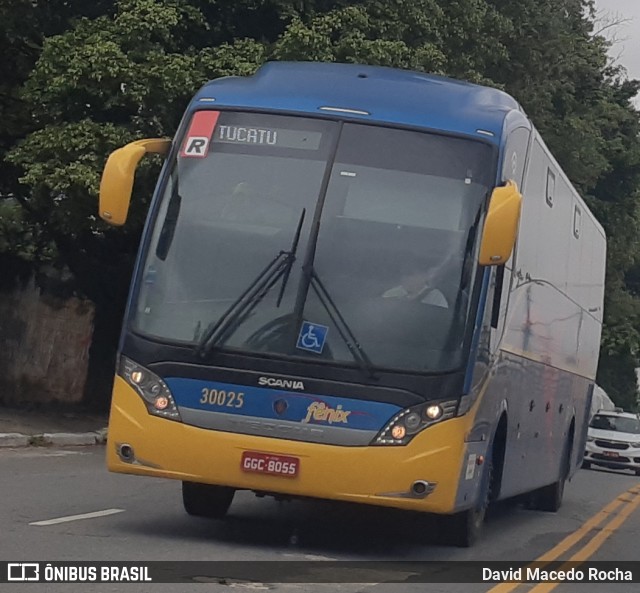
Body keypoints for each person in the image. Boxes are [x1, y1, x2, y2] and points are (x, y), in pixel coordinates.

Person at [382, 261, 450, 308]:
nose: (407, 278)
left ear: (424, 276)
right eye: (405, 275)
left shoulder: (436, 296)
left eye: (412, 275)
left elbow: (443, 318)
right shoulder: (390, 294)